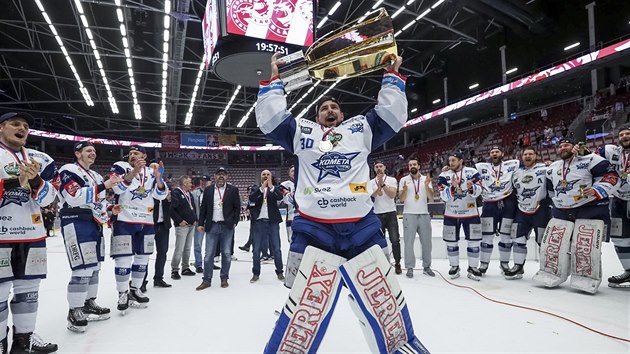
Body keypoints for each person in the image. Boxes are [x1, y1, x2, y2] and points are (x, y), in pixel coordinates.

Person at [256, 53, 429, 353]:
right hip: (314, 234)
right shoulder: (302, 132)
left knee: (385, 304)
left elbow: (392, 115)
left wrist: (390, 76)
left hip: (363, 231)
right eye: (324, 108)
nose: (330, 110)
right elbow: (271, 121)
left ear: (342, 115)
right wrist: (274, 82)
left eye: (335, 107)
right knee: (303, 312)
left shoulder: (359, 130)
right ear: (317, 116)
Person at [0, 112, 58, 352]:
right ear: (1, 128)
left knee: (29, 293)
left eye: (25, 126)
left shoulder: (38, 159)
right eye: (15, 124)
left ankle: (24, 341)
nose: (22, 128)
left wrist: (35, 181)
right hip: (1, 237)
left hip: (33, 237)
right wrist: (17, 182)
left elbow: (51, 198)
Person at [537, 138, 618, 294]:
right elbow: (550, 189)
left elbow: (612, 176)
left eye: (566, 145)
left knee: (584, 246)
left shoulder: (591, 159)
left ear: (574, 146)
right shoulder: (553, 167)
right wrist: (555, 202)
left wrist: (597, 190)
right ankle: (553, 272)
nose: (563, 148)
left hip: (588, 208)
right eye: (560, 146)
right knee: (556, 245)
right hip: (561, 210)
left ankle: (586, 276)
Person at [58, 141, 122, 333]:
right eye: (88, 150)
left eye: (94, 151)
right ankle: (74, 309)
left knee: (94, 267)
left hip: (94, 223)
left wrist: (110, 208)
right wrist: (105, 185)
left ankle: (88, 303)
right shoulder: (68, 169)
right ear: (78, 154)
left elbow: (98, 201)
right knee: (82, 268)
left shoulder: (94, 175)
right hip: (75, 221)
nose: (92, 153)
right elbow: (73, 196)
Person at [110, 145, 168, 313]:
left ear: (144, 155)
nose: (132, 155)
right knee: (123, 259)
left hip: (147, 221)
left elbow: (161, 195)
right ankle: (122, 293)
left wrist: (158, 178)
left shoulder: (151, 172)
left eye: (136, 153)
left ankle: (136, 289)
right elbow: (116, 188)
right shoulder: (120, 166)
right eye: (130, 153)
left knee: (143, 258)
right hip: (124, 219)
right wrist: (134, 171)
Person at [505, 146, 549, 279]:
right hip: (521, 211)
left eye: (530, 154)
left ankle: (546, 269)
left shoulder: (545, 169)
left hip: (540, 210)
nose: (528, 156)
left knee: (543, 242)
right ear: (522, 157)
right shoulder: (516, 173)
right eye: (525, 154)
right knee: (518, 239)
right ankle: (518, 266)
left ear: (536, 156)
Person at [437, 151, 484, 280]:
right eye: (450, 160)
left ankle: (473, 267)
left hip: (471, 213)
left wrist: (471, 187)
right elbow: (443, 196)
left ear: (461, 161)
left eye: (454, 160)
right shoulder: (444, 175)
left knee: (474, 242)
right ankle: (454, 266)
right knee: (451, 243)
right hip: (451, 214)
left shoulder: (472, 172)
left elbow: (478, 191)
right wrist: (452, 188)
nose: (451, 163)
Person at [475, 146, 519, 275]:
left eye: (497, 152)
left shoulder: (512, 164)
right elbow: (463, 169)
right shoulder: (481, 167)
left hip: (508, 204)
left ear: (502, 153)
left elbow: (529, 163)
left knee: (506, 236)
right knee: (486, 237)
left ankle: (504, 264)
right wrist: (448, 169)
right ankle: (483, 265)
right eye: (492, 152)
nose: (494, 154)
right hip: (489, 205)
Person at [196, 167, 241, 290]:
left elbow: (237, 207)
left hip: (227, 226)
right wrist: (201, 223)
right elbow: (203, 208)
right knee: (209, 254)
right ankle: (206, 280)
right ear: (214, 176)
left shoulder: (233, 190)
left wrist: (235, 222)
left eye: (223, 174)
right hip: (212, 225)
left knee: (226, 253)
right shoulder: (208, 190)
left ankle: (224, 278)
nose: (221, 176)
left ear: (227, 177)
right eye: (218, 174)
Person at [599, 124, 630, 287]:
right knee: (620, 238)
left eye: (628, 134)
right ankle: (628, 271)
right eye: (622, 134)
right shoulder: (611, 151)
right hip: (618, 199)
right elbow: (591, 158)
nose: (625, 136)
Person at [398, 158, 434, 277]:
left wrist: (427, 186)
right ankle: (409, 267)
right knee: (408, 243)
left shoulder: (425, 179)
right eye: (410, 165)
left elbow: (431, 197)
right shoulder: (403, 180)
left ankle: (427, 266)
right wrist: (404, 190)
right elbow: (402, 199)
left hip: (424, 214)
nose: (412, 166)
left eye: (414, 164)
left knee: (427, 243)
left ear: (419, 166)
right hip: (409, 214)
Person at [248, 170, 284, 283]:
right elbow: (252, 199)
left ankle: (280, 272)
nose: (266, 176)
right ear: (260, 176)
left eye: (268, 174)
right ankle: (256, 273)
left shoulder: (276, 188)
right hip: (259, 222)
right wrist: (262, 188)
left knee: (277, 249)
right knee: (256, 249)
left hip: (272, 222)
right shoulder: (255, 189)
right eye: (264, 174)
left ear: (271, 176)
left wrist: (271, 187)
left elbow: (279, 197)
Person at [369, 161, 402, 274]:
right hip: (377, 214)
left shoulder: (392, 180)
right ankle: (382, 264)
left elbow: (392, 194)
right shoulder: (370, 182)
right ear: (374, 169)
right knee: (379, 242)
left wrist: (383, 184)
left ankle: (397, 263)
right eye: (376, 166)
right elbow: (371, 197)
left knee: (395, 240)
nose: (379, 168)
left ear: (384, 167)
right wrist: (377, 188)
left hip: (390, 213)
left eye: (380, 166)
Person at [169, 175, 197, 279]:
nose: (191, 184)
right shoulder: (176, 193)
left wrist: (194, 219)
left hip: (190, 225)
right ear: (184, 183)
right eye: (189, 182)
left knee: (187, 248)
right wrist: (179, 221)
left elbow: (192, 208)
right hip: (182, 226)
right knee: (179, 249)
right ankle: (174, 270)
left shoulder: (189, 194)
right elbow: (171, 210)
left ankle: (185, 268)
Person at [151, 189, 172, 288]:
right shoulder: (148, 189)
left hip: (164, 225)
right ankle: (141, 281)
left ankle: (159, 278)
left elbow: (174, 204)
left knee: (163, 252)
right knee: (144, 254)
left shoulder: (165, 190)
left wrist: (169, 199)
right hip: (150, 225)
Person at [191, 176, 211, 273]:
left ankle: (209, 262)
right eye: (202, 181)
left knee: (210, 244)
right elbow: (192, 207)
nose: (203, 183)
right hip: (199, 222)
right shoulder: (195, 193)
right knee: (198, 244)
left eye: (206, 181)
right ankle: (198, 264)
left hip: (211, 222)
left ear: (210, 182)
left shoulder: (213, 192)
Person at [279, 166, 296, 243]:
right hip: (291, 217)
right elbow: (288, 201)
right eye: (292, 171)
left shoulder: (305, 183)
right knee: (291, 240)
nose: (294, 172)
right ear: (289, 173)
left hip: (305, 216)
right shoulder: (284, 185)